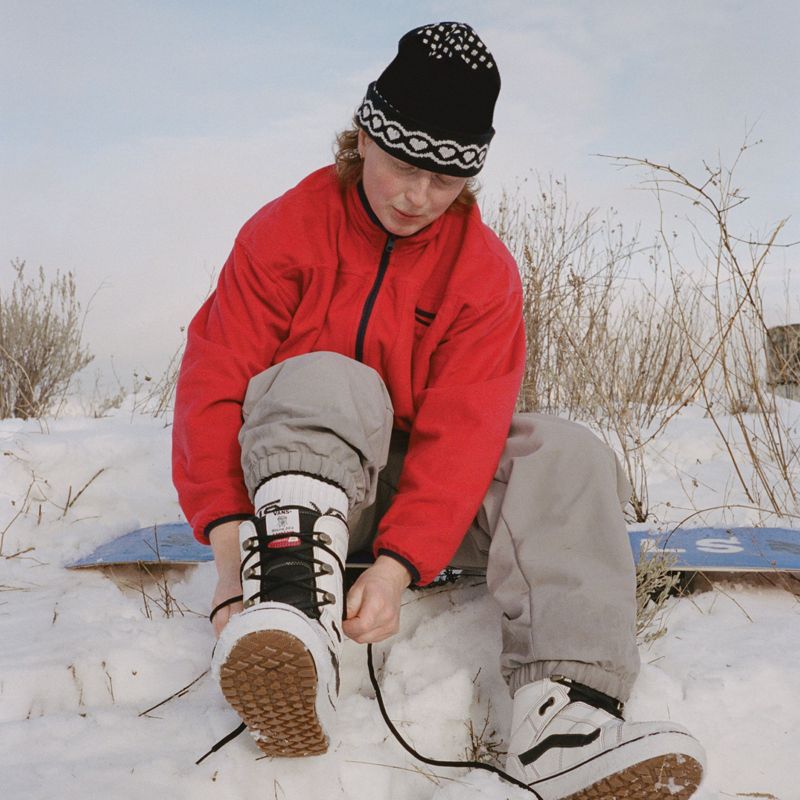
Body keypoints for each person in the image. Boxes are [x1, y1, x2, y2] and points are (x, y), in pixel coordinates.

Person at [172, 21, 706, 800]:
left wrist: (395, 567)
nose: (418, 197)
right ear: (362, 139)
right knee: (330, 378)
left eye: (444, 180)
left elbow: (465, 432)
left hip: (419, 500)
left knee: (563, 450)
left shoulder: (483, 274)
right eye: (401, 167)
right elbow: (213, 381)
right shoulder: (284, 232)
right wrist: (228, 555)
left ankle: (567, 716)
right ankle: (292, 620)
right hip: (290, 487)